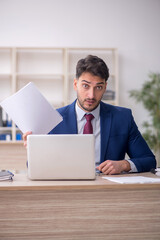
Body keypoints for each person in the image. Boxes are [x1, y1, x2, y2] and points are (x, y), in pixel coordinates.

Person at [23, 55, 156, 175]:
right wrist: (34, 149)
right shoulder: (53, 119)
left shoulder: (123, 117)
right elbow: (33, 167)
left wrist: (123, 164)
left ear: (105, 87)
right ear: (75, 84)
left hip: (108, 190)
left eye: (98, 87)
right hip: (67, 188)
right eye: (85, 86)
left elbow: (149, 160)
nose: (91, 95)